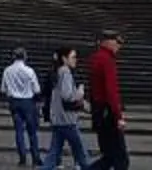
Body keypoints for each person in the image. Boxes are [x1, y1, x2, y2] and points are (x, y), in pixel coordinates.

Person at [42, 47, 91, 170]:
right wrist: (80, 93)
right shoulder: (65, 72)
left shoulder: (58, 71)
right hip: (67, 119)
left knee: (53, 153)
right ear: (64, 59)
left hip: (59, 118)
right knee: (81, 152)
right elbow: (67, 95)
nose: (76, 60)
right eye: (73, 57)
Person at [88, 33, 127, 170]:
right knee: (120, 158)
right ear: (108, 42)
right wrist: (118, 116)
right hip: (108, 113)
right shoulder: (107, 60)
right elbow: (111, 91)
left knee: (109, 157)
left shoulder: (95, 58)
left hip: (99, 111)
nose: (119, 46)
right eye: (117, 42)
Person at [1, 48, 44, 167]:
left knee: (19, 130)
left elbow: (3, 89)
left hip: (14, 101)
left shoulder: (7, 70)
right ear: (24, 57)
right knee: (32, 131)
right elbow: (37, 89)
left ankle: (22, 157)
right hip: (27, 102)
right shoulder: (29, 71)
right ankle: (36, 157)